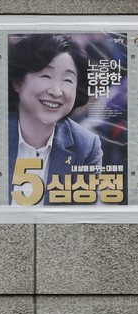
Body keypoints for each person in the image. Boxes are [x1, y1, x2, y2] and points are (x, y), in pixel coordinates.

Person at [8, 34, 102, 205]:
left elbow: (83, 218)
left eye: (68, 80)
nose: (57, 91)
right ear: (17, 83)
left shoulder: (86, 146)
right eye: (46, 76)